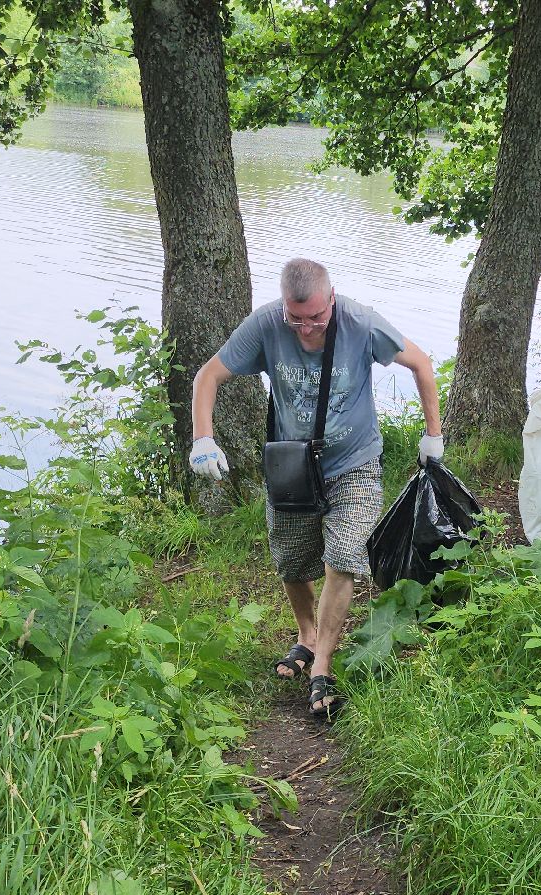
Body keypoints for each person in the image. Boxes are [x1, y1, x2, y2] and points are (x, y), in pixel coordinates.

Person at [187, 258, 444, 721]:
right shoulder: (266, 324)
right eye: (296, 318)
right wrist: (202, 437)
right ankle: (306, 635)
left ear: (331, 298)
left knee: (344, 555)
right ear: (284, 305)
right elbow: (208, 376)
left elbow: (421, 364)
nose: (306, 328)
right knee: (291, 560)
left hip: (355, 463)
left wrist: (433, 434)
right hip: (292, 468)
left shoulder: (360, 322)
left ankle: (322, 661)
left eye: (316, 317)